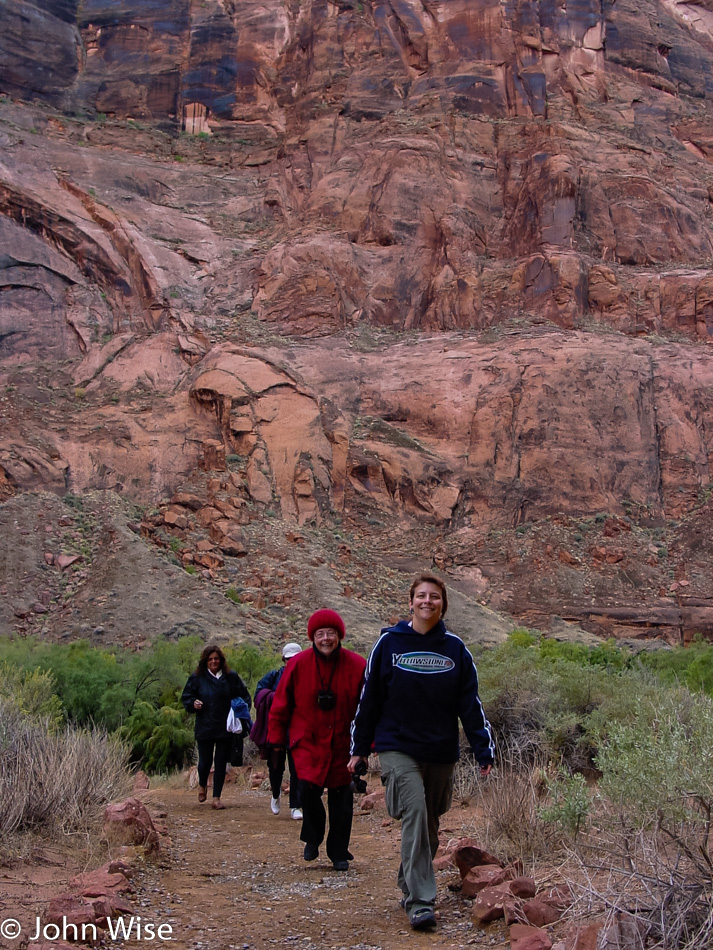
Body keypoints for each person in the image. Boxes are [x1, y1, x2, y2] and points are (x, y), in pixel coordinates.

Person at [349, 573, 495, 931]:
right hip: (396, 745)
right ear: (410, 601)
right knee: (414, 810)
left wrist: (483, 750)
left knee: (429, 824)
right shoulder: (389, 643)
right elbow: (369, 699)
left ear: (443, 604)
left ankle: (409, 883)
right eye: (421, 596)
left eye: (434, 597)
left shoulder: (455, 649)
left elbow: (469, 704)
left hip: (439, 748)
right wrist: (359, 748)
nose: (427, 602)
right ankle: (420, 902)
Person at [268, 609, 366, 871]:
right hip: (307, 742)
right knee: (307, 790)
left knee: (341, 798)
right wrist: (276, 740)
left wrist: (367, 745)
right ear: (313, 637)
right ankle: (312, 837)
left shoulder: (357, 665)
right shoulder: (297, 665)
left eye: (330, 633)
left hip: (343, 743)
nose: (325, 639)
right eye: (320, 634)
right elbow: (281, 705)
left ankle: (338, 851)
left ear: (339, 635)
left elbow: (368, 709)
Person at [181, 644, 251, 810]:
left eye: (216, 659)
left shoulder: (230, 677)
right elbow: (186, 697)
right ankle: (202, 785)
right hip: (204, 726)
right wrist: (193, 703)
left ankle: (217, 798)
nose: (214, 661)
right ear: (205, 661)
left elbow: (244, 696)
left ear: (221, 660)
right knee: (204, 762)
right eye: (210, 659)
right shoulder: (197, 678)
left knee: (221, 763)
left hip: (225, 727)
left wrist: (240, 711)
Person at [252, 642, 303, 819]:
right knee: (275, 766)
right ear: (284, 659)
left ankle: (296, 806)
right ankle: (275, 795)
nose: (292, 662)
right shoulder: (274, 676)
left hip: (298, 729)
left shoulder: (306, 677)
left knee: (297, 768)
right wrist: (274, 698)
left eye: (295, 658)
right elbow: (258, 694)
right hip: (277, 728)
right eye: (289, 659)